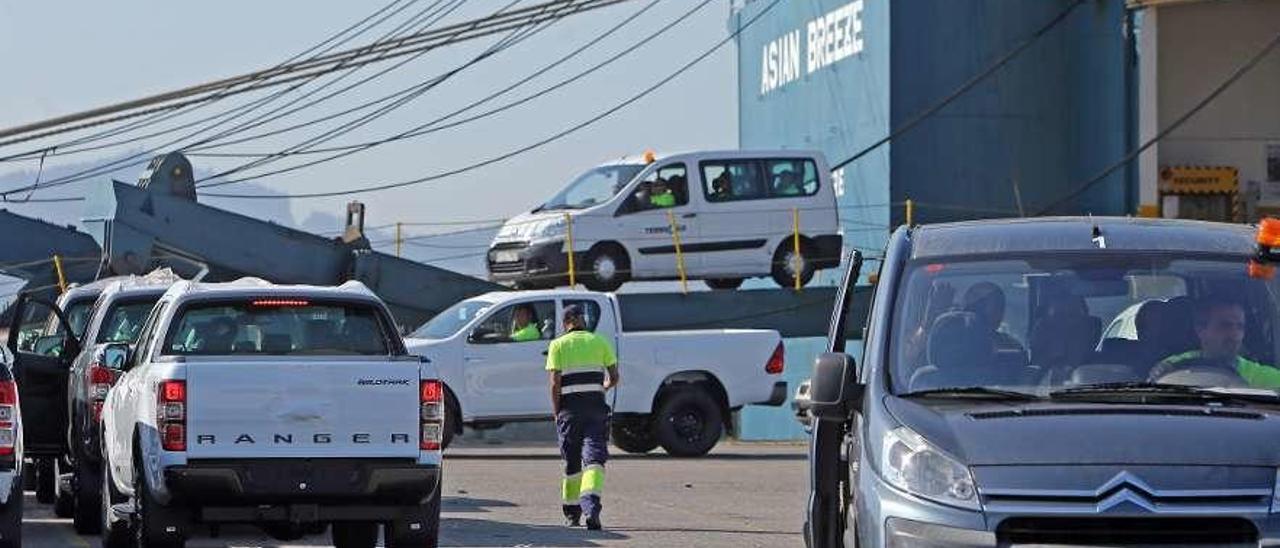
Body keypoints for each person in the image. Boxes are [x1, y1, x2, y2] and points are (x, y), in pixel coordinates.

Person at [546, 305, 620, 530]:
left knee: (572, 463)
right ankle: (591, 508)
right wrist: (601, 388)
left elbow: (554, 383)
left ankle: (571, 514)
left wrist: (556, 411)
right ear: (582, 320)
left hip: (570, 411)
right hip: (596, 408)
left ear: (565, 322)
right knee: (594, 460)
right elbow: (614, 377)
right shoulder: (600, 342)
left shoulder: (557, 345)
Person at [1148, 298, 1280, 388]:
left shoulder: (1266, 378)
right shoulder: (1171, 368)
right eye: (1225, 326)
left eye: (1240, 327)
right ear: (1200, 329)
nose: (1235, 336)